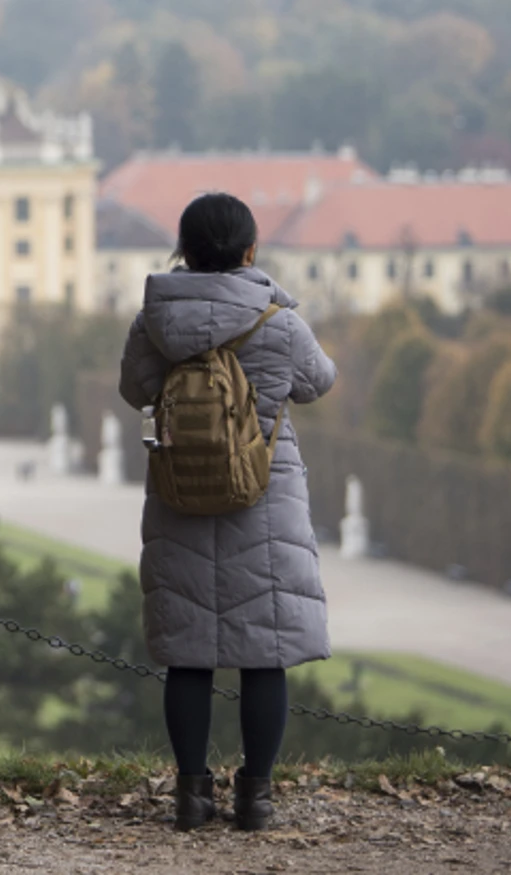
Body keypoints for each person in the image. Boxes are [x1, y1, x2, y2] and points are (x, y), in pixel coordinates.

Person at [121, 192, 338, 833]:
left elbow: (135, 389)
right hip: (263, 495)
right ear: (250, 249)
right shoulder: (278, 319)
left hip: (180, 488)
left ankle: (191, 795)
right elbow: (318, 382)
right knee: (262, 652)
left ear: (183, 251)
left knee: (190, 652)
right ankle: (256, 796)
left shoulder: (154, 319)